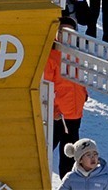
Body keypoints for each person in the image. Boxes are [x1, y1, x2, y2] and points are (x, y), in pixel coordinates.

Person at [44, 18, 90, 178]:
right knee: (46, 149)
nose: (66, 36)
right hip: (59, 115)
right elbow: (45, 86)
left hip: (75, 113)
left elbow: (80, 79)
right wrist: (53, 109)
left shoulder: (76, 54)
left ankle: (68, 183)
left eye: (70, 33)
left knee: (70, 154)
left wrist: (84, 94)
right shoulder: (50, 56)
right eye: (62, 32)